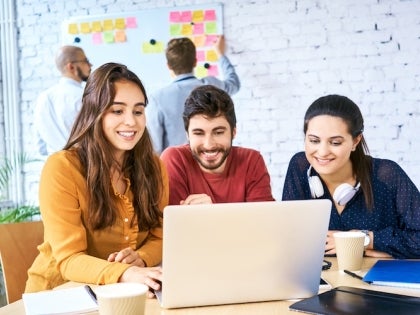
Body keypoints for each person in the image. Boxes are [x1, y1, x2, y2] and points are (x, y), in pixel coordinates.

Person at [26, 63, 168, 297]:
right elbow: (69, 259)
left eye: (138, 111)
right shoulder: (62, 167)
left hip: (122, 295)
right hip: (59, 295)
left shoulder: (153, 167)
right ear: (94, 112)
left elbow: (159, 236)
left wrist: (140, 258)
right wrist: (125, 273)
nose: (131, 122)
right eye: (117, 111)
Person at [282, 94, 420, 259]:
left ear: (355, 141)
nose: (323, 152)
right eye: (314, 140)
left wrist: (363, 240)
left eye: (335, 143)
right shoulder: (300, 166)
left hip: (374, 282)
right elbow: (289, 238)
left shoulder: (386, 174)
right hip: (324, 281)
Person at [160, 85, 274, 205]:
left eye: (218, 132)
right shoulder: (174, 159)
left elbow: (263, 222)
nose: (208, 145)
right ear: (188, 135)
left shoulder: (251, 161)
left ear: (233, 132)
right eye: (199, 133)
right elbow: (175, 222)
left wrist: (210, 214)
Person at [146, 35, 240, 154]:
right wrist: (220, 54)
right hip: (210, 164)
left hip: (173, 168)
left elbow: (155, 148)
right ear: (195, 62)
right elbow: (234, 83)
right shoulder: (211, 86)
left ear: (168, 66)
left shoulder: (157, 99)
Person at [34, 45, 92, 155]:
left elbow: (40, 148)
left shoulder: (42, 98)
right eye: (86, 61)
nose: (90, 65)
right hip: (82, 165)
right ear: (71, 67)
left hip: (55, 167)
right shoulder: (84, 97)